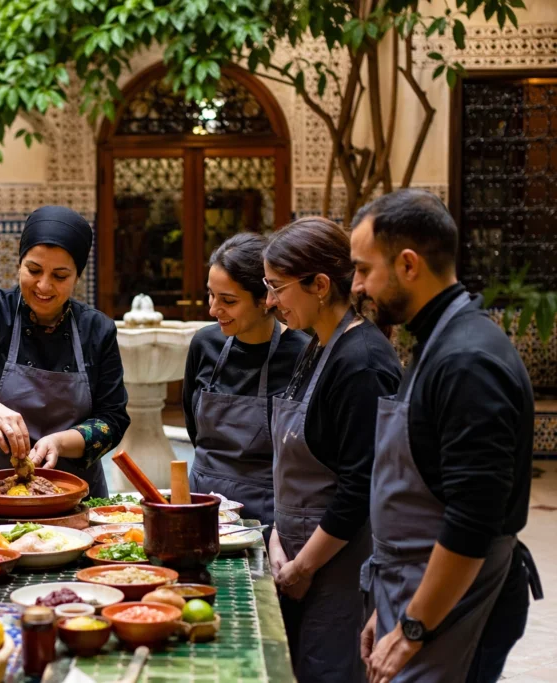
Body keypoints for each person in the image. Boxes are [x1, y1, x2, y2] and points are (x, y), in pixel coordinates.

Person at [350, 189, 541, 683]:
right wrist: (390, 607)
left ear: (408, 265)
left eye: (365, 269)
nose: (358, 286)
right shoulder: (437, 340)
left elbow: (471, 519)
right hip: (421, 592)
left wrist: (413, 625)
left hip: (462, 608)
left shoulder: (467, 361)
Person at [0, 206, 130, 510]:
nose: (43, 285)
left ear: (77, 276)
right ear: (19, 264)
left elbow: (113, 420)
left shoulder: (97, 329)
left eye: (60, 275)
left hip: (73, 500)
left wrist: (61, 441)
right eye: (33, 270)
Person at [263, 217, 402, 683]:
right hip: (300, 559)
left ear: (320, 285)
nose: (270, 302)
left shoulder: (361, 362)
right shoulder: (316, 343)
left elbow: (359, 487)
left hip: (338, 568)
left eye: (276, 287)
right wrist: (280, 538)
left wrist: (302, 566)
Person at [183, 233, 309, 526]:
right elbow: (193, 426)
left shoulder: (302, 354)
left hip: (266, 513)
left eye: (228, 300)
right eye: (211, 295)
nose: (214, 310)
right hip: (201, 502)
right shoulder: (204, 344)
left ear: (266, 300)